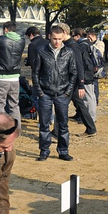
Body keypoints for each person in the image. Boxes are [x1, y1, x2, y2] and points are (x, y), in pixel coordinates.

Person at [33, 26, 77, 161]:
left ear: (63, 37)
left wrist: (67, 92)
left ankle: (63, 151)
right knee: (44, 124)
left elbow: (73, 73)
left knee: (63, 124)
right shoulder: (41, 51)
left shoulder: (69, 52)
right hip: (45, 93)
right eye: (54, 39)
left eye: (59, 39)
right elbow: (35, 73)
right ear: (49, 37)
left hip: (62, 94)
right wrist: (40, 92)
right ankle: (44, 151)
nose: (57, 42)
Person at [0, 21, 25, 126]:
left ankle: (1, 128)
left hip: (1, 77)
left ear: (5, 29)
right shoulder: (21, 41)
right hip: (15, 77)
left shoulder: (1, 40)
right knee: (14, 105)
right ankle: (17, 128)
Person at [64, 26, 96, 135]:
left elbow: (79, 65)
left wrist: (81, 84)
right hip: (70, 81)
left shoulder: (73, 46)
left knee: (62, 105)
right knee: (80, 105)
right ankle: (91, 128)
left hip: (72, 81)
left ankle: (56, 131)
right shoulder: (71, 45)